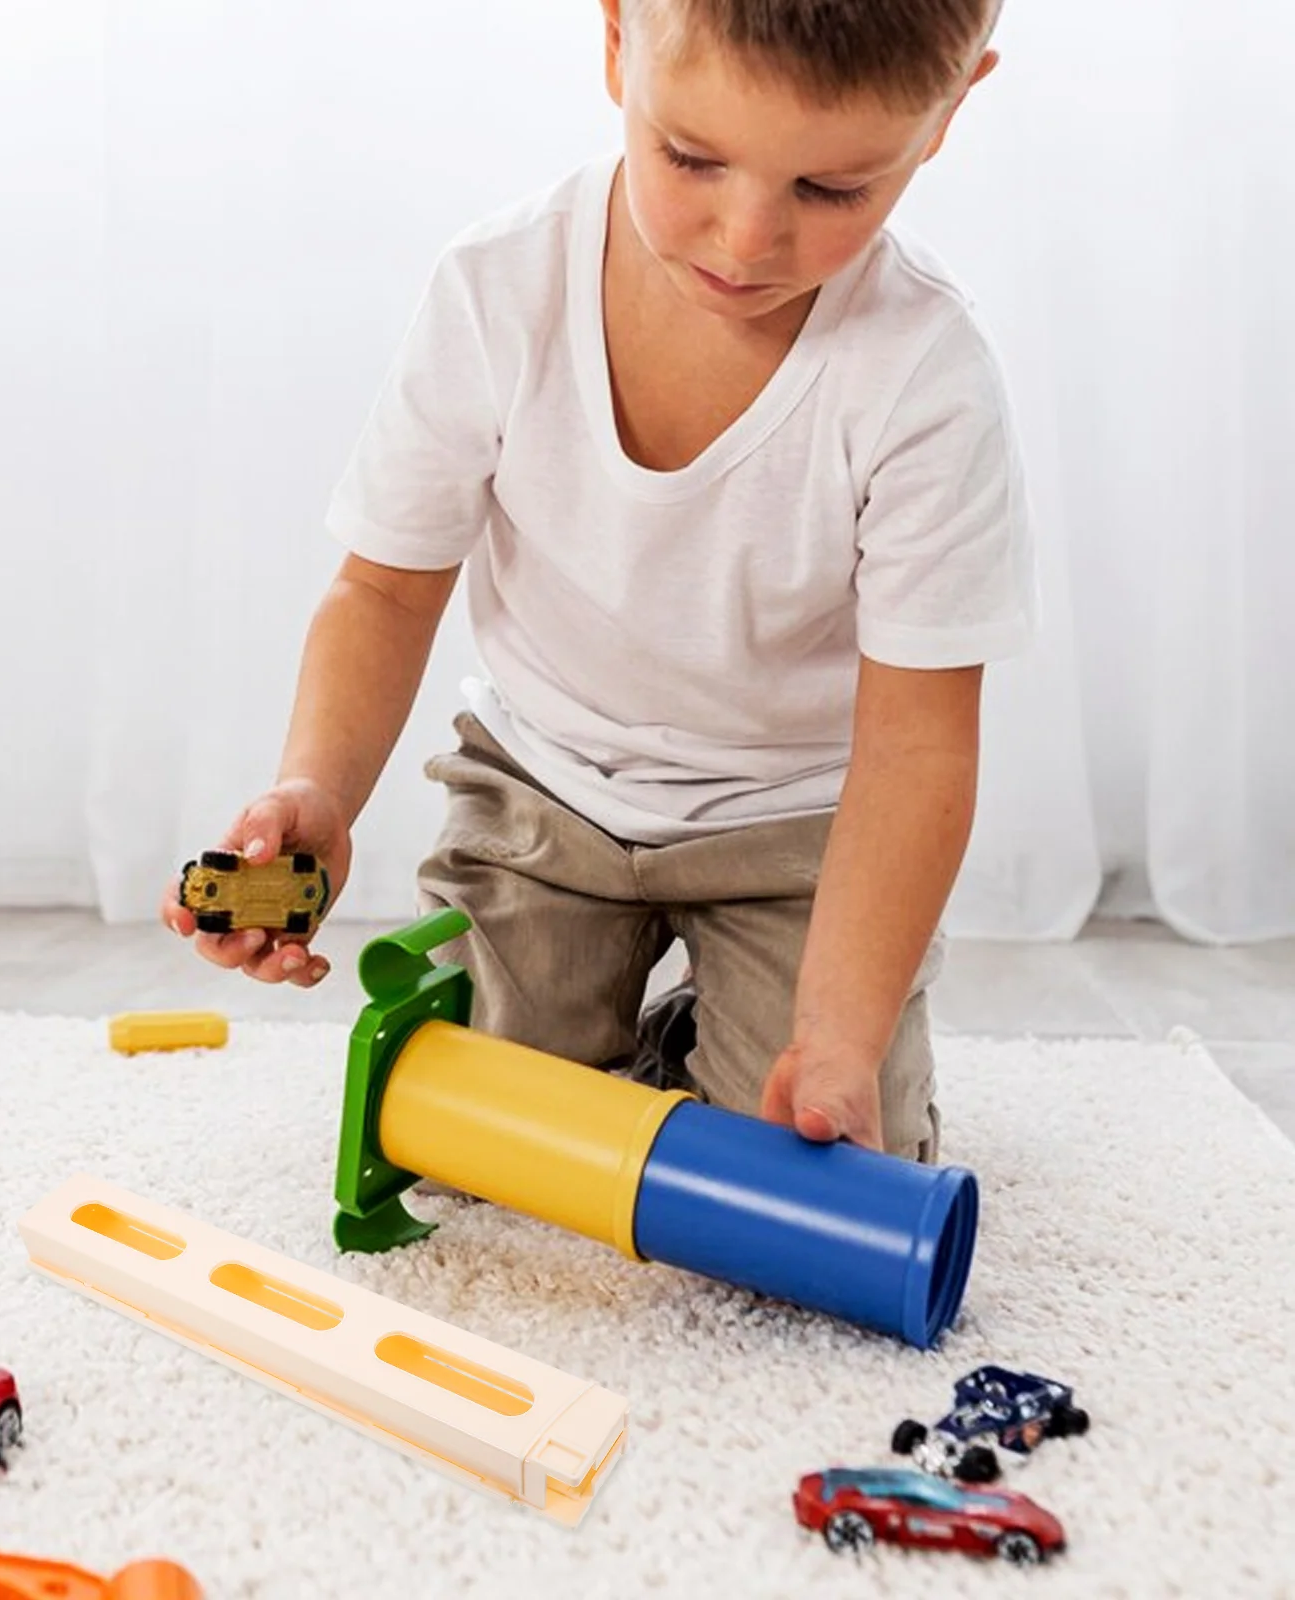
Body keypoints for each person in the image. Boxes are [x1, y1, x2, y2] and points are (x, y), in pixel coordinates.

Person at [164, 0, 1035, 1163]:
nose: (743, 240)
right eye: (691, 158)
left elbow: (918, 745)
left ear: (947, 116)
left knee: (821, 1156)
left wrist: (834, 1033)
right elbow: (383, 589)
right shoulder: (497, 287)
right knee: (460, 1126)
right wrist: (318, 793)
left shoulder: (925, 377)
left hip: (796, 830)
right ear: (618, 38)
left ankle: (704, 1034)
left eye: (831, 193)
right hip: (547, 791)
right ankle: (614, 1025)